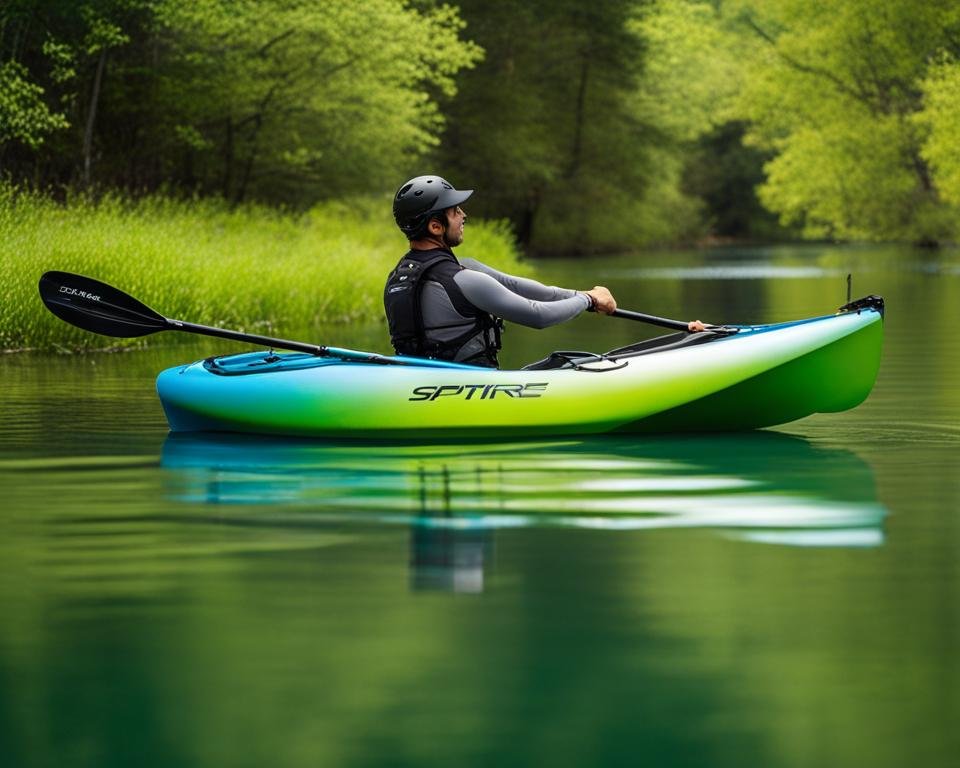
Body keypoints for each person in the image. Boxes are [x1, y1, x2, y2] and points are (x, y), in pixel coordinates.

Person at [384, 175, 704, 368]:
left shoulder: (400, 277)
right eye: (455, 211)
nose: (463, 214)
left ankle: (689, 335)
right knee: (571, 362)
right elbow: (537, 315)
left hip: (421, 382)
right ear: (436, 225)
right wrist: (587, 300)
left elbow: (520, 286)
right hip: (471, 387)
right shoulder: (463, 280)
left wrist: (591, 299)